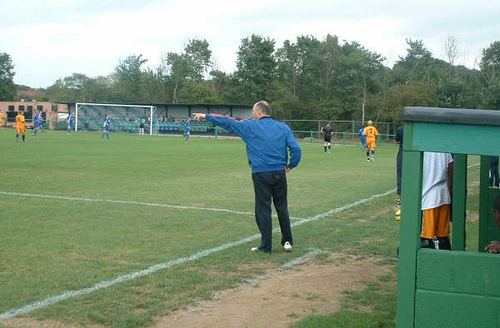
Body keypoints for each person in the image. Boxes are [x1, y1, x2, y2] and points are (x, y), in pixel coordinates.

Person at [193, 100, 301, 254]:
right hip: (279, 172)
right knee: (281, 207)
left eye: (253, 111)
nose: (252, 114)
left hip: (260, 173)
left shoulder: (250, 126)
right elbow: (296, 149)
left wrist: (206, 116)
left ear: (258, 112)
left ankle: (266, 246)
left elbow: (227, 122)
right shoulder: (282, 127)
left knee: (263, 209)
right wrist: (291, 165)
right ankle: (287, 241)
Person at [420, 152, 454, 250]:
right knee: (443, 238)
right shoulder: (443, 144)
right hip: (443, 196)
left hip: (428, 200)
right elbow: (451, 165)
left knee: (426, 239)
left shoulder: (422, 146)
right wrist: (448, 188)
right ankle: (447, 263)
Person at [395, 125, 404, 205]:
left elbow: (397, 141)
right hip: (417, 152)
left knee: (400, 175)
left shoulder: (401, 128)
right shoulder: (418, 127)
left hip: (403, 152)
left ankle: (400, 198)